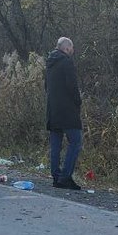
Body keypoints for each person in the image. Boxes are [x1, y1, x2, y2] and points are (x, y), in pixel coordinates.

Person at [45, 36, 83, 190]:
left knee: (56, 144)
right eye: (71, 48)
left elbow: (46, 86)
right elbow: (72, 86)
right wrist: (78, 102)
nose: (72, 51)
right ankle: (65, 176)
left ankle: (56, 175)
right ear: (67, 48)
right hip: (67, 111)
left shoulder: (50, 63)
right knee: (75, 141)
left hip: (53, 109)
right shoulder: (67, 62)